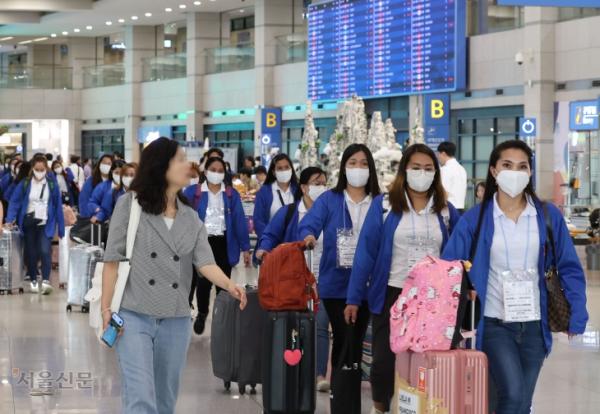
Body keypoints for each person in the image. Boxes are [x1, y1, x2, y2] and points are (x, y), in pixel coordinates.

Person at [101, 137, 247, 414]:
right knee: (141, 397)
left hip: (176, 319)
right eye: (180, 159)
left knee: (165, 401)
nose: (187, 165)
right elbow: (112, 261)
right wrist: (105, 307)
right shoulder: (130, 205)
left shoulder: (191, 218)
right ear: (161, 166)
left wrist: (230, 285)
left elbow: (205, 262)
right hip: (133, 314)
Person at [441, 140, 588, 414]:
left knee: (520, 401)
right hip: (495, 322)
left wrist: (578, 314)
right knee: (513, 393)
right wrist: (466, 287)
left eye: (522, 166)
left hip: (534, 325)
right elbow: (448, 268)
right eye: (507, 165)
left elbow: (569, 267)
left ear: (530, 172)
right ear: (494, 171)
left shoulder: (546, 216)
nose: (515, 172)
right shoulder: (475, 219)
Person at [345, 144, 461, 414]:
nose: (422, 173)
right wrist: (353, 297)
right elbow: (366, 252)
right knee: (384, 361)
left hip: (433, 299)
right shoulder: (384, 206)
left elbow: (458, 254)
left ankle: (423, 408)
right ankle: (380, 408)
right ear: (404, 171)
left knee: (427, 361)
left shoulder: (446, 211)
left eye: (429, 169)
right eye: (416, 168)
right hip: (392, 294)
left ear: (436, 173)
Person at [299, 144, 381, 413]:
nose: (358, 168)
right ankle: (345, 404)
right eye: (353, 162)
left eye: (363, 163)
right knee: (346, 336)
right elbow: (310, 222)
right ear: (344, 167)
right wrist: (309, 235)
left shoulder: (380, 201)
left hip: (370, 285)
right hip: (336, 285)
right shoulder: (330, 199)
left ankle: (344, 399)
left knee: (354, 341)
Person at [256, 166, 331, 392]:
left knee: (320, 325)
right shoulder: (290, 213)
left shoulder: (332, 212)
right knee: (295, 326)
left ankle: (318, 374)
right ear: (305, 187)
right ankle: (293, 367)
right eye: (316, 182)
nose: (321, 187)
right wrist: (263, 250)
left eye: (324, 182)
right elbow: (270, 234)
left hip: (324, 279)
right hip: (293, 282)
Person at [183, 156, 251, 335]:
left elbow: (239, 221)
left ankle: (223, 317)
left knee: (224, 282)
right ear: (205, 172)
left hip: (224, 242)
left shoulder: (230, 194)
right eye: (213, 169)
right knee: (203, 282)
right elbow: (182, 217)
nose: (217, 173)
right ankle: (202, 313)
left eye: (221, 171)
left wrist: (246, 247)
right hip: (201, 242)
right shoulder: (193, 192)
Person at [7, 154, 65, 294]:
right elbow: (15, 202)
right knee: (31, 253)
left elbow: (57, 206)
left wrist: (61, 227)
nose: (40, 172)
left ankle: (45, 281)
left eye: (42, 169)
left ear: (46, 169)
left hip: (46, 222)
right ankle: (33, 279)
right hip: (28, 222)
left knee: (45, 250)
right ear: (32, 168)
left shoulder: (52, 184)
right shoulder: (25, 183)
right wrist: (10, 219)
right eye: (37, 169)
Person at [253, 153, 298, 239]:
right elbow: (258, 220)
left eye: (286, 167)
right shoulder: (264, 192)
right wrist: (268, 241)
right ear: (274, 172)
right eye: (279, 168)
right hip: (271, 245)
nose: (284, 171)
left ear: (291, 169)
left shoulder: (299, 191)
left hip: (294, 244)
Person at [78, 154, 113, 219]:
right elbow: (84, 200)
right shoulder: (91, 180)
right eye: (104, 163)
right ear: (99, 164)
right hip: (92, 219)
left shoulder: (113, 182)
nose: (106, 165)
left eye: (109, 164)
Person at [437, 141, 467, 213]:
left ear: (443, 154)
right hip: (460, 208)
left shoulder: (445, 169)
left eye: (439, 154)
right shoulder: (462, 169)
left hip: (448, 209)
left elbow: (444, 192)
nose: (438, 157)